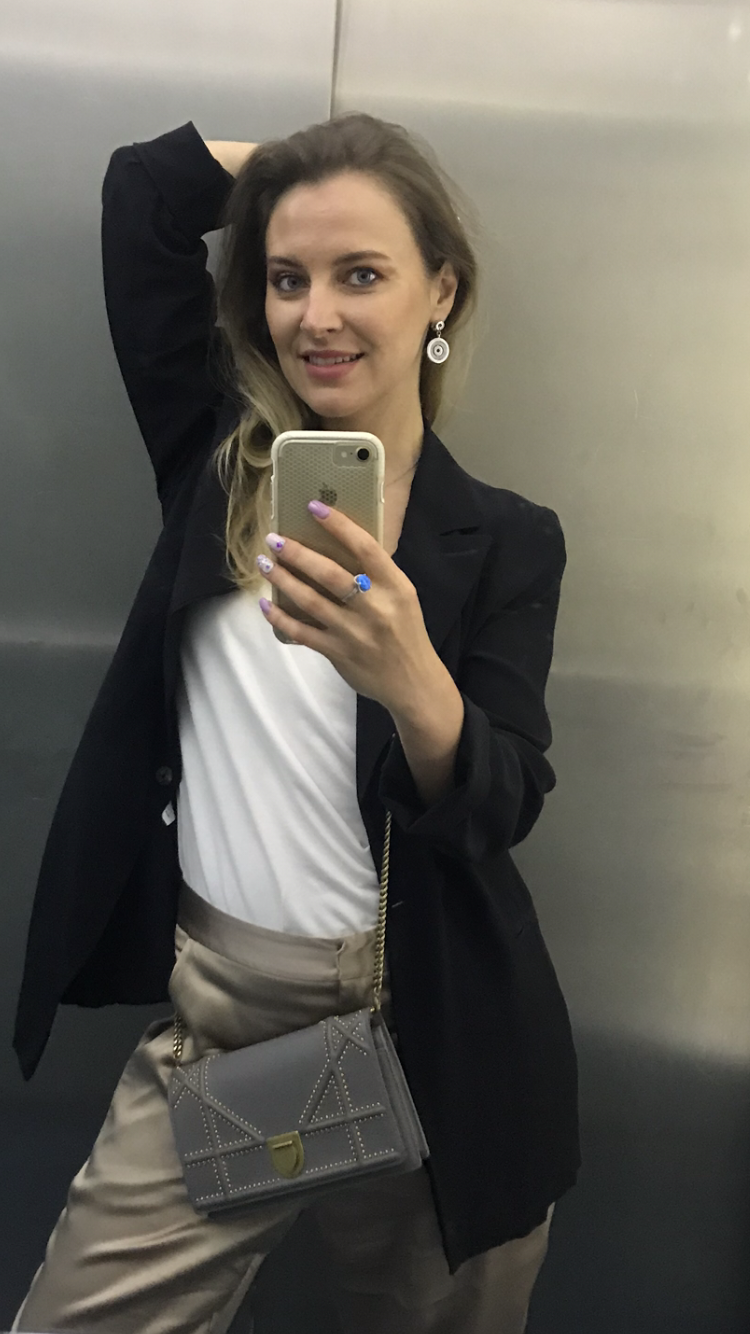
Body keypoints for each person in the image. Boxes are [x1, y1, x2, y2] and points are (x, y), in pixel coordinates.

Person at [12, 113, 580, 1334]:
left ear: (442, 290)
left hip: (430, 1035)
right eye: (286, 277)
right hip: (229, 1026)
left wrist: (413, 680)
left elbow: (505, 800)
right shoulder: (216, 467)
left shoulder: (506, 537)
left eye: (361, 273)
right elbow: (143, 198)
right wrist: (290, 167)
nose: (316, 314)